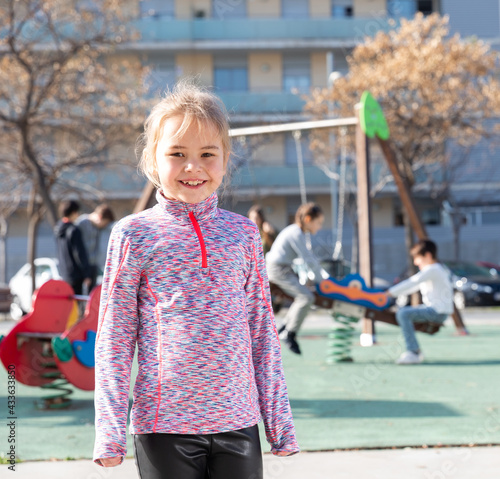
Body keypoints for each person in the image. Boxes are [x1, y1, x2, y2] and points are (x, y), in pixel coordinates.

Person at [93, 81, 299, 477]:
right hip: (163, 426)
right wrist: (110, 430)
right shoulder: (134, 234)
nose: (193, 166)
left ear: (225, 159)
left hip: (239, 424)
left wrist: (279, 425)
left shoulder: (243, 234)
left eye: (208, 153)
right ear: (153, 160)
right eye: (177, 154)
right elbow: (115, 336)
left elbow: (261, 329)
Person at [266, 202, 327, 355]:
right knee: (306, 298)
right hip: (278, 269)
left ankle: (284, 328)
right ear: (308, 219)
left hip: (283, 268)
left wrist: (321, 277)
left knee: (304, 296)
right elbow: (308, 259)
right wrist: (324, 281)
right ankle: (290, 333)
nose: (319, 227)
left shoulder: (297, 232)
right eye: (318, 223)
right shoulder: (296, 233)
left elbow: (308, 259)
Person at [387, 239, 453, 365]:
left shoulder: (433, 269)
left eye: (417, 258)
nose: (415, 262)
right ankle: (414, 351)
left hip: (437, 311)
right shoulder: (438, 269)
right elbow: (413, 287)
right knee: (404, 312)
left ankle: (413, 352)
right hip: (438, 310)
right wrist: (393, 293)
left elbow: (413, 282)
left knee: (403, 314)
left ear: (427, 256)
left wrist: (389, 293)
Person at [54, 200, 92, 295]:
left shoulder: (58, 229)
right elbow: (79, 253)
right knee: (77, 304)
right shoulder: (74, 230)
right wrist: (86, 274)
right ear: (74, 212)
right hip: (76, 275)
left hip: (64, 273)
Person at [76, 204, 115, 290]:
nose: (104, 226)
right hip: (82, 266)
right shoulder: (81, 223)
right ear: (100, 217)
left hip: (93, 265)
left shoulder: (98, 227)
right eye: (105, 223)